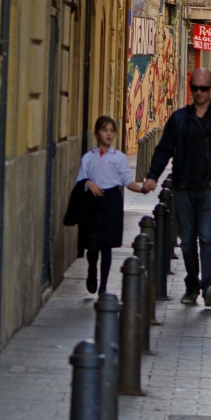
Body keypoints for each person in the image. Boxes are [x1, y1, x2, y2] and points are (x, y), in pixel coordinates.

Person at [143, 68, 211, 306]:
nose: (199, 92)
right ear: (191, 89)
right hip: (183, 188)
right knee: (188, 241)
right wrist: (152, 176)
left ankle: (209, 284)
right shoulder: (179, 119)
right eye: (195, 88)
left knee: (207, 237)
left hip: (210, 189)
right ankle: (191, 284)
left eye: (204, 88)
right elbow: (164, 149)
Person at [66, 116, 146, 296]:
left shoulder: (119, 157)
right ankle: (92, 270)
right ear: (97, 134)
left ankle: (103, 286)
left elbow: (127, 180)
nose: (108, 134)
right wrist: (89, 183)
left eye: (112, 130)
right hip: (93, 203)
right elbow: (80, 180)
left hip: (112, 202)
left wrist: (142, 189)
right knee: (93, 245)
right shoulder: (88, 157)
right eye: (104, 130)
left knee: (107, 246)